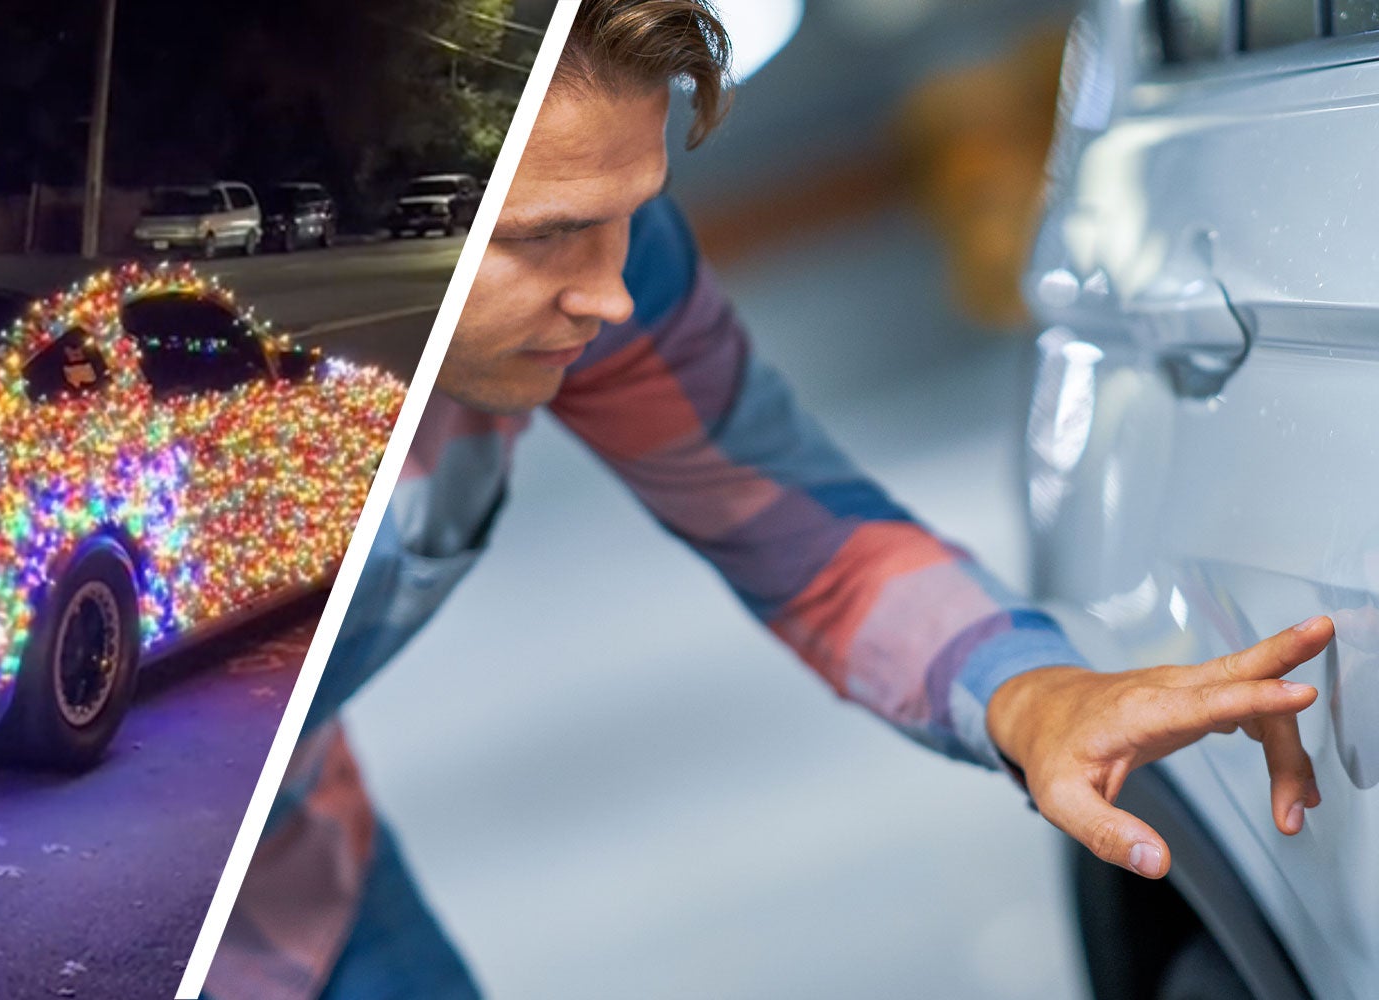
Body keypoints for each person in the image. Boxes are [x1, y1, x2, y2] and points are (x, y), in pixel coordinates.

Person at [204, 2, 1332, 997]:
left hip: (303, 900)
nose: (608, 295)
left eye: (626, 215)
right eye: (545, 236)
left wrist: (1028, 694)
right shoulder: (99, 385)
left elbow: (805, 536)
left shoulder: (603, 259)